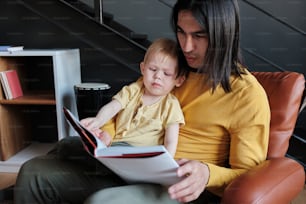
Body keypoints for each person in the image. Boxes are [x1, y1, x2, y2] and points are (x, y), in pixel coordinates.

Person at [14, 0, 270, 204]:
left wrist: (207, 172)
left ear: (223, 34)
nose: (187, 46)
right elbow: (128, 105)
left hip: (181, 187)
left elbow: (249, 176)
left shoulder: (247, 95)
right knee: (32, 173)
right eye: (181, 32)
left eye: (199, 36)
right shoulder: (170, 68)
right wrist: (107, 134)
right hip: (133, 164)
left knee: (103, 201)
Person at [80, 38, 186, 156]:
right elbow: (112, 107)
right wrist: (98, 121)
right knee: (74, 146)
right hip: (115, 146)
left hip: (141, 155)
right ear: (143, 69)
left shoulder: (171, 105)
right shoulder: (133, 90)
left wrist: (166, 162)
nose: (158, 76)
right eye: (153, 69)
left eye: (166, 73)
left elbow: (171, 141)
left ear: (178, 80)